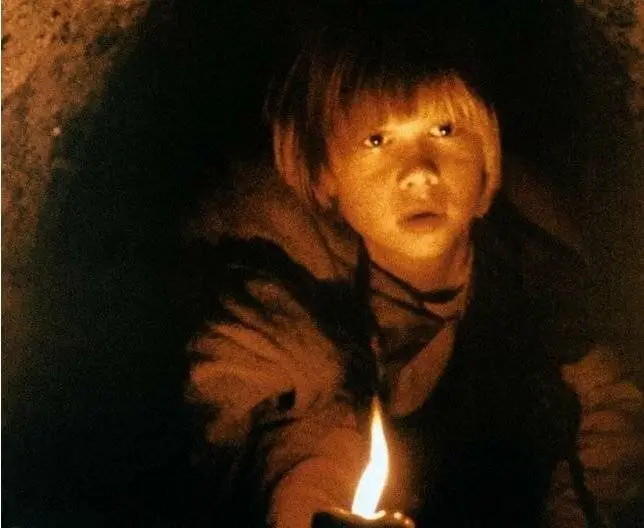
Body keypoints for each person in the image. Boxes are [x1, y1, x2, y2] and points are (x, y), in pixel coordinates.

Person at [182, 2, 643, 526]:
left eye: (444, 130)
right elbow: (290, 429)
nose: (419, 172)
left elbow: (608, 408)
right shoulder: (288, 281)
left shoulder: (531, 262)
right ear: (326, 173)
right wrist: (314, 510)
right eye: (377, 140)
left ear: (487, 157)